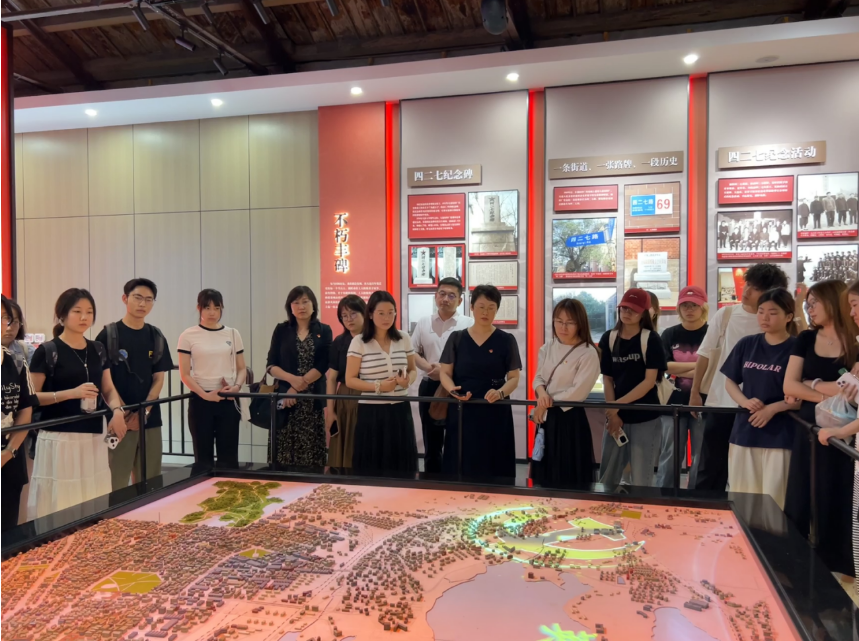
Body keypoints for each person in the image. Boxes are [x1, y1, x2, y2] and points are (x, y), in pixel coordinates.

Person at [28, 289, 127, 520]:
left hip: (93, 434)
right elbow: (32, 396)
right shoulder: (47, 351)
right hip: (60, 435)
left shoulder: (97, 349)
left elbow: (108, 388)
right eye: (77, 311)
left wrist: (117, 411)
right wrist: (70, 394)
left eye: (89, 312)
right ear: (62, 315)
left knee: (93, 494)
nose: (84, 317)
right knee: (63, 498)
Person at [689, 263, 789, 491]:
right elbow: (704, 354)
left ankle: (744, 511)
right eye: (747, 285)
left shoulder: (778, 324)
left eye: (756, 288)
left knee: (750, 471)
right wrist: (695, 392)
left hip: (759, 407)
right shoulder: (726, 314)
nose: (747, 291)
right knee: (710, 466)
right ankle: (704, 510)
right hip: (721, 402)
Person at [783, 279, 856, 580]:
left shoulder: (855, 339)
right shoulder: (805, 338)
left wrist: (811, 385)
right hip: (808, 428)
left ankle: (839, 568)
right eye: (807, 303)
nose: (810, 309)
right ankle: (793, 565)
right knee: (801, 494)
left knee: (839, 495)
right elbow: (789, 386)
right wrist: (831, 394)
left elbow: (854, 390)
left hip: (845, 431)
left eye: (815, 303)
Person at [721, 288, 799, 509]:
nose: (765, 317)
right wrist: (744, 401)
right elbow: (730, 381)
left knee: (776, 499)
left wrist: (773, 408)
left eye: (773, 313)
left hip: (781, 435)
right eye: (761, 311)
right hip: (745, 431)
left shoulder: (797, 348)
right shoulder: (747, 343)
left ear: (788, 316)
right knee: (742, 496)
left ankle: (775, 534)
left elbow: (803, 394)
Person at [95, 279, 174, 491]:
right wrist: (125, 412)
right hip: (117, 420)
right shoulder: (108, 335)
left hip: (150, 419)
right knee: (116, 480)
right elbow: (104, 381)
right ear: (125, 298)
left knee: (151, 480)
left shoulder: (156, 336)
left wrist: (144, 412)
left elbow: (159, 379)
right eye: (137, 298)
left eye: (148, 299)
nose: (142, 304)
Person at [439, 285, 521, 478]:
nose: (486, 312)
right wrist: (453, 390)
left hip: (495, 406)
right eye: (481, 306)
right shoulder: (457, 338)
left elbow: (514, 377)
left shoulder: (506, 340)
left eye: (491, 307)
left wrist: (500, 392)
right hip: (462, 406)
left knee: (494, 460)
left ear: (497, 310)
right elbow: (445, 373)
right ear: (472, 307)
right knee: (461, 458)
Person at [597, 288, 667, 488]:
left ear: (644, 313)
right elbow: (607, 379)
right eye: (624, 308)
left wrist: (616, 407)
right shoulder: (609, 338)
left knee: (641, 477)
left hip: (645, 416)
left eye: (633, 310)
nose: (627, 313)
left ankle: (641, 508)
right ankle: (604, 508)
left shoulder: (651, 339)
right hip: (616, 415)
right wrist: (613, 413)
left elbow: (648, 382)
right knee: (607, 476)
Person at [530, 298, 600, 487]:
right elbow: (538, 378)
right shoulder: (548, 347)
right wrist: (542, 395)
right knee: (545, 473)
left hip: (569, 419)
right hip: (547, 416)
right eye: (559, 321)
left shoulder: (588, 353)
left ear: (580, 323)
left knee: (568, 474)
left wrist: (546, 403)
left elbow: (578, 393)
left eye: (570, 322)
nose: (563, 327)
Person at [345, 291, 418, 473]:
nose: (387, 318)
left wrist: (407, 381)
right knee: (372, 463)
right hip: (371, 410)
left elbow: (413, 370)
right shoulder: (359, 341)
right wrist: (378, 386)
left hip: (400, 408)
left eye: (391, 312)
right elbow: (350, 380)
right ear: (370, 314)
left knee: (401, 463)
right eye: (381, 313)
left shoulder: (403, 338)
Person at [178, 289, 246, 472]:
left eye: (217, 308)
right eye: (207, 307)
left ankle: (230, 489)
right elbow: (185, 374)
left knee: (229, 457)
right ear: (198, 308)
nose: (212, 312)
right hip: (201, 400)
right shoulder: (188, 335)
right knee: (203, 459)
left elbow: (242, 368)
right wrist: (205, 395)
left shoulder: (233, 334)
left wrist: (237, 386)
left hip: (228, 398)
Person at [410, 278, 473, 473]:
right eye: (442, 294)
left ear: (460, 301)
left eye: (451, 296)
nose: (446, 299)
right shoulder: (423, 322)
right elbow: (411, 352)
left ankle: (456, 479)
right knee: (432, 439)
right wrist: (430, 369)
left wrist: (445, 373)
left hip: (456, 387)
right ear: (435, 296)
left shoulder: (468, 323)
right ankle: (432, 480)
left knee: (457, 437)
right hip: (429, 385)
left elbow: (470, 357)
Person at [266, 286, 332, 468]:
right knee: (283, 454)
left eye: (305, 302)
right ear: (290, 307)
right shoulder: (281, 330)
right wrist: (291, 381)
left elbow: (323, 364)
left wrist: (296, 387)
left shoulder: (324, 330)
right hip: (285, 399)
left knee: (311, 456)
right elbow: (271, 365)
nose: (301, 306)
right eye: (296, 302)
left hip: (311, 400)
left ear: (313, 305)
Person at [654, 286, 709, 488]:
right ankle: (665, 496)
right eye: (685, 305)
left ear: (703, 307)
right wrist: (699, 367)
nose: (689, 309)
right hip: (673, 403)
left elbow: (714, 368)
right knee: (670, 453)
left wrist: (679, 370)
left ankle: (696, 496)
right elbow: (664, 366)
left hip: (705, 402)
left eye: (694, 305)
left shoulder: (712, 333)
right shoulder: (669, 334)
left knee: (700, 454)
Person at [2, 296, 35, 531]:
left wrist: (9, 452)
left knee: (7, 530)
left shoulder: (16, 361)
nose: (7, 326)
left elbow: (25, 411)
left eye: (9, 319)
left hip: (9, 458)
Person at [326, 295, 366, 468]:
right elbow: (331, 378)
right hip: (345, 397)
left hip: (369, 395)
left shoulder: (373, 339)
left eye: (353, 314)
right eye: (344, 316)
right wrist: (330, 411)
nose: (349, 319)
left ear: (365, 313)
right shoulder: (340, 342)